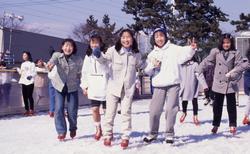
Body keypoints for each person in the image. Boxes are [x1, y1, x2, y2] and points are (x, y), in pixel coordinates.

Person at [142, 28, 197, 144]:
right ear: (154, 39)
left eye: (161, 35)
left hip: (173, 83)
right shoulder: (152, 54)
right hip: (158, 85)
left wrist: (192, 49)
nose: (159, 38)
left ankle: (169, 134)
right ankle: (152, 133)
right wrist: (153, 66)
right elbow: (147, 71)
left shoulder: (174, 48)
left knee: (171, 109)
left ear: (165, 36)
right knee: (154, 110)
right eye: (156, 36)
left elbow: (185, 55)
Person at [92, 29, 142, 148]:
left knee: (126, 113)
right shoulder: (113, 50)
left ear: (132, 39)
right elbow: (104, 60)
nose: (126, 39)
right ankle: (108, 135)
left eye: (128, 37)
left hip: (128, 88)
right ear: (120, 39)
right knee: (110, 113)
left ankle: (125, 137)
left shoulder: (136, 53)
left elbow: (142, 65)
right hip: (113, 87)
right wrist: (98, 55)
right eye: (123, 37)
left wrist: (153, 64)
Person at [197, 33, 242, 135]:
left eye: (228, 43)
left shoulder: (236, 53)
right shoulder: (216, 52)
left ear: (231, 43)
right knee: (217, 106)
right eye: (224, 43)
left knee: (231, 106)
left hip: (230, 82)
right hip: (218, 82)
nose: (226, 45)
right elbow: (207, 61)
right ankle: (216, 125)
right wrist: (199, 69)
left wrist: (233, 74)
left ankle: (232, 125)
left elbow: (242, 65)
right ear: (221, 43)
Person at [47, 38, 82, 141]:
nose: (68, 48)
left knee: (72, 111)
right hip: (59, 86)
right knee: (58, 109)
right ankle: (61, 132)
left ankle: (73, 128)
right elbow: (51, 62)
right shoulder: (57, 55)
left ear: (73, 48)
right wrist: (49, 66)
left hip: (72, 87)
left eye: (70, 46)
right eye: (66, 45)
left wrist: (85, 85)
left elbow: (81, 74)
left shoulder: (78, 59)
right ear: (62, 47)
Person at [80, 33, 109, 141]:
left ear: (101, 43)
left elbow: (108, 69)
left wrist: (100, 57)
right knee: (95, 109)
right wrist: (84, 86)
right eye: (92, 42)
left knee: (107, 111)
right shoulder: (88, 56)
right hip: (93, 86)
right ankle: (98, 128)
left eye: (97, 42)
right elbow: (85, 72)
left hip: (105, 86)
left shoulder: (106, 54)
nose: (95, 44)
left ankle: (107, 130)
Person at [179, 55, 208, 126]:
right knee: (184, 100)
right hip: (183, 86)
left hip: (193, 86)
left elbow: (199, 75)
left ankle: (195, 116)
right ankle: (184, 112)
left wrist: (204, 85)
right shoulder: (181, 64)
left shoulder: (195, 64)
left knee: (194, 101)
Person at [225, 48, 250, 125]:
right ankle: (246, 117)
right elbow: (239, 69)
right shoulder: (247, 63)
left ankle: (246, 117)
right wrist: (230, 73)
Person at [17, 51, 36, 116]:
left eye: (25, 55)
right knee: (24, 96)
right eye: (23, 55)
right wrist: (17, 69)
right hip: (23, 81)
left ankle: (31, 110)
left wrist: (31, 76)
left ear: (28, 56)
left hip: (30, 82)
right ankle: (27, 110)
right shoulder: (22, 64)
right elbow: (21, 73)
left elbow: (34, 72)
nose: (23, 56)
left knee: (29, 96)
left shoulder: (32, 63)